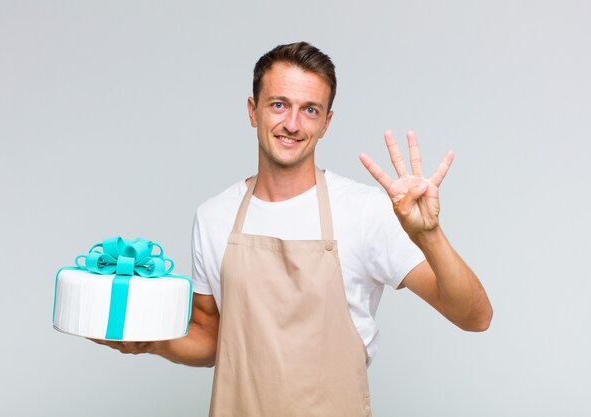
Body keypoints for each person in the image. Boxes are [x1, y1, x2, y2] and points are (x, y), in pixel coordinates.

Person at [94, 41, 492, 416]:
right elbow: (211, 336)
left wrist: (428, 235)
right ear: (253, 111)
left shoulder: (365, 210)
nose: (292, 123)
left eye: (310, 110)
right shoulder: (214, 216)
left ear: (326, 123)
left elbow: (474, 317)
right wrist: (152, 342)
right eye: (279, 104)